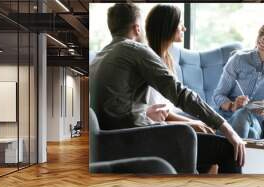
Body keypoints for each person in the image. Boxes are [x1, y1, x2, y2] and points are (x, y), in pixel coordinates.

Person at [89, 3, 245, 173]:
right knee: (230, 150)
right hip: (136, 140)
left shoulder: (98, 58)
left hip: (109, 142)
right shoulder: (134, 50)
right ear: (137, 28)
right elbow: (180, 93)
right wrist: (227, 128)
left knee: (204, 151)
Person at [213, 19, 264, 139]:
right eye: (261, 33)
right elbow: (218, 95)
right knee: (247, 124)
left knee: (249, 123)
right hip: (226, 120)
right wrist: (233, 105)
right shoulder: (238, 59)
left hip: (255, 122)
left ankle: (231, 155)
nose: (263, 39)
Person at [145, 4, 214, 134]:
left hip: (170, 116)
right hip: (156, 124)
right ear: (167, 26)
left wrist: (192, 121)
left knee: (210, 126)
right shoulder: (150, 62)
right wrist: (190, 123)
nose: (184, 28)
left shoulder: (167, 58)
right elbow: (160, 113)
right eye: (180, 23)